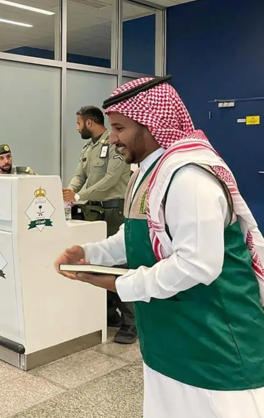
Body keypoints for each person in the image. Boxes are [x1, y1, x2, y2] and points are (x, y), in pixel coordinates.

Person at [55, 76, 264, 418]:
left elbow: (198, 265)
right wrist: (91, 254)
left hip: (214, 343)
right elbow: (135, 234)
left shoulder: (189, 178)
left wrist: (123, 284)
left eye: (120, 128)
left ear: (152, 124)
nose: (113, 138)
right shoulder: (150, 174)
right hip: (170, 338)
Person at [63, 105, 135, 344]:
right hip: (93, 211)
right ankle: (108, 314)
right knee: (99, 262)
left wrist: (79, 196)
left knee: (121, 263)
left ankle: (130, 323)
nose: (77, 128)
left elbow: (111, 179)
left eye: (78, 123)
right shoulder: (89, 148)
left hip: (114, 209)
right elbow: (79, 175)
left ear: (90, 123)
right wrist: (70, 191)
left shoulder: (113, 144)